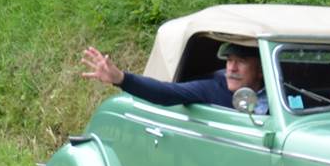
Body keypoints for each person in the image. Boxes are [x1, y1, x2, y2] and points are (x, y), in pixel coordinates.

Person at [81, 42, 269, 113]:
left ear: (261, 70)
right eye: (229, 61)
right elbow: (167, 92)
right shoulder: (213, 88)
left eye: (241, 61)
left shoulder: (282, 93)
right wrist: (121, 78)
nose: (232, 68)